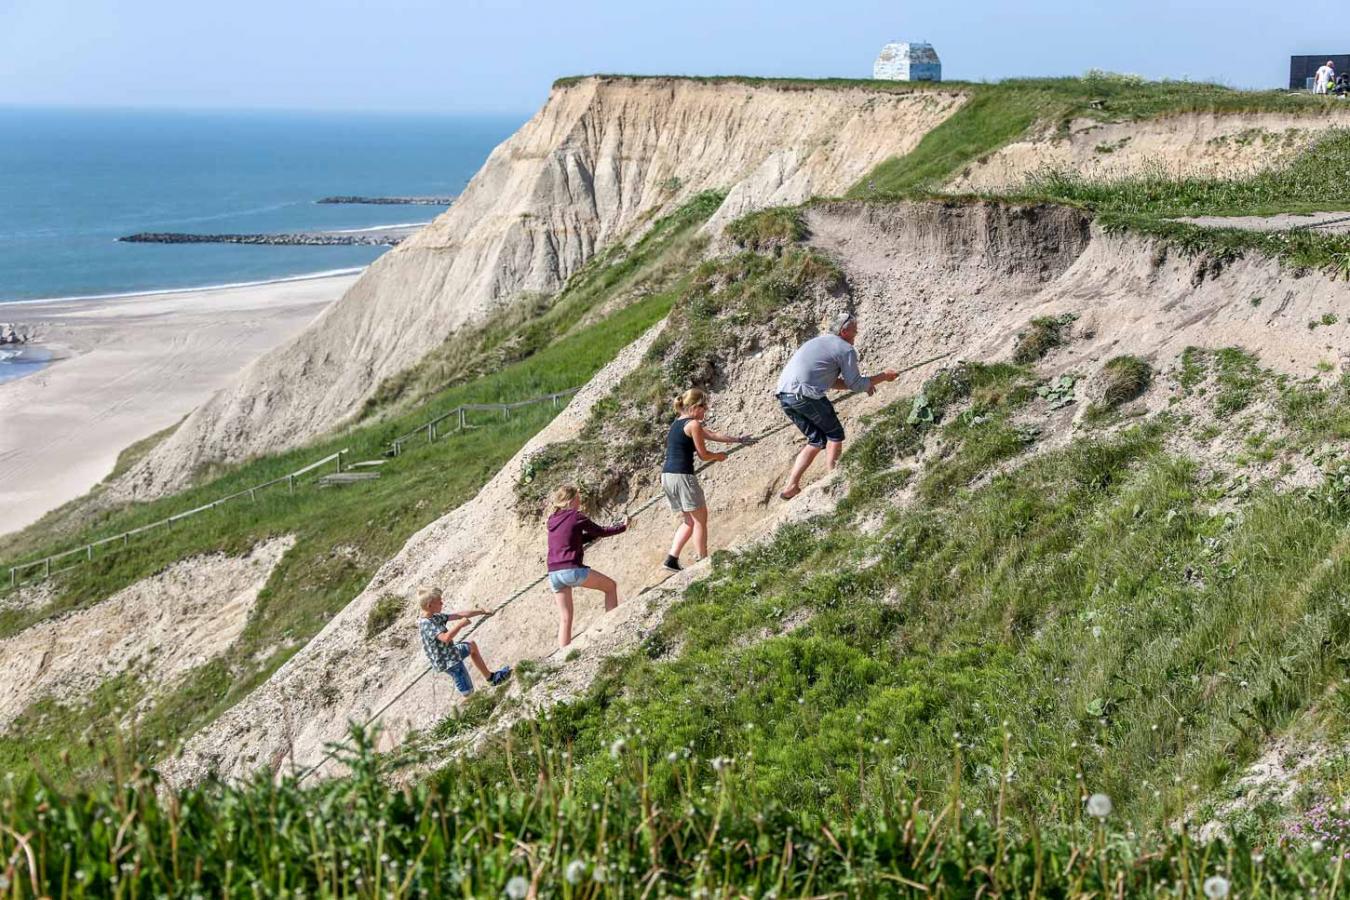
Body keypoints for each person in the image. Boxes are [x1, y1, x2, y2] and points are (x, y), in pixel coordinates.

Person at [774, 312, 898, 500]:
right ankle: (834, 477)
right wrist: (883, 377)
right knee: (835, 434)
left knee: (816, 440)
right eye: (854, 330)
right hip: (806, 394)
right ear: (844, 331)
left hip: (785, 395)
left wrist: (868, 384)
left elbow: (832, 382)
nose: (856, 333)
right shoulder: (845, 349)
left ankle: (791, 486)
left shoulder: (817, 342)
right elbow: (855, 384)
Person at [660, 388, 750, 573]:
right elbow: (703, 454)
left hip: (667, 476)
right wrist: (717, 456)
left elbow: (713, 434)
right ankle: (703, 561)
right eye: (703, 407)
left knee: (689, 521)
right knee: (700, 520)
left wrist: (738, 440)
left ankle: (671, 559)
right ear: (694, 407)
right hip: (682, 476)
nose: (706, 410)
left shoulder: (678, 423)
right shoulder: (693, 424)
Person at [546, 485, 628, 648]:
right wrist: (622, 527)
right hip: (571, 569)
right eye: (578, 498)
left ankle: (562, 657)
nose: (580, 501)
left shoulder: (551, 520)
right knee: (610, 587)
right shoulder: (575, 516)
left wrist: (589, 538)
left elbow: (569, 540)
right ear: (571, 500)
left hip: (553, 573)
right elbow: (601, 531)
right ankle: (613, 628)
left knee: (565, 617)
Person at [416, 587, 511, 696]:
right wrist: (460, 625)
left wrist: (481, 611)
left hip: (451, 652)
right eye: (439, 602)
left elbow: (458, 615)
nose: (442, 603)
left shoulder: (434, 616)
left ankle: (491, 678)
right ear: (429, 605)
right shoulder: (426, 623)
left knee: (471, 646)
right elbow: (445, 638)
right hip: (448, 662)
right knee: (468, 692)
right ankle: (471, 706)